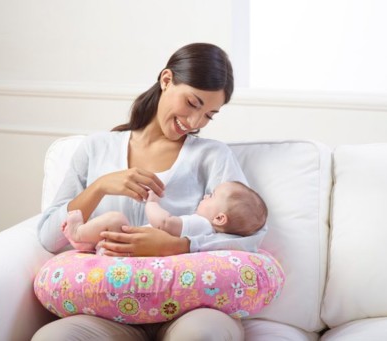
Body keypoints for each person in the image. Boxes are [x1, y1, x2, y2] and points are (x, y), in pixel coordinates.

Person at [33, 42, 268, 341]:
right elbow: (48, 237)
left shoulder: (212, 156)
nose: (195, 122)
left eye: (209, 115)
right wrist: (100, 187)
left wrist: (180, 245)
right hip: (109, 310)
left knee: (200, 336)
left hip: (191, 309)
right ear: (166, 80)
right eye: (193, 103)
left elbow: (250, 236)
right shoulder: (96, 148)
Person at [61, 181, 267, 253]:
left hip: (130, 246)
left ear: (220, 219)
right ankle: (91, 244)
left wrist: (152, 203)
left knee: (116, 220)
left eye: (211, 196)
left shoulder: (201, 225)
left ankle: (78, 233)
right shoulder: (208, 234)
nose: (205, 196)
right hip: (128, 250)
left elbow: (164, 223)